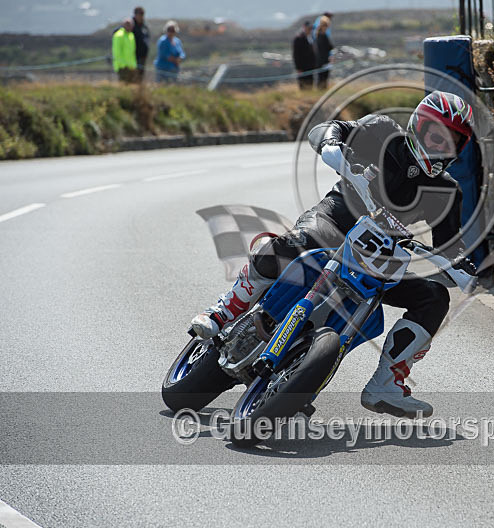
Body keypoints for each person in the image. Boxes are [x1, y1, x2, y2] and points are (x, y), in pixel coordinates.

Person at [191, 91, 478, 418]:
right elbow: (329, 128)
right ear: (418, 126)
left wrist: (464, 268)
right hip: (334, 222)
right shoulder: (382, 131)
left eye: (450, 142)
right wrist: (332, 147)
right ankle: (223, 311)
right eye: (435, 135)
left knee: (434, 297)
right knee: (293, 242)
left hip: (378, 254)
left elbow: (449, 248)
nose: (440, 146)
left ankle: (386, 383)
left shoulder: (447, 192)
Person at [112, 18, 137, 83]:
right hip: (122, 67)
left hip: (131, 66)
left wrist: (133, 65)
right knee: (123, 85)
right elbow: (117, 52)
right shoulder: (118, 35)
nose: (129, 26)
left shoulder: (131, 35)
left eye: (130, 25)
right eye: (127, 24)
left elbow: (132, 52)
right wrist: (122, 65)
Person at [292, 21, 315, 90]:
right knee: (303, 84)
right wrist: (298, 68)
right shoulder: (298, 38)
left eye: (311, 29)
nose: (310, 30)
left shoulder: (310, 38)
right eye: (309, 28)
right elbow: (296, 55)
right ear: (304, 28)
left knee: (310, 84)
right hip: (302, 67)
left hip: (310, 67)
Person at [313, 15, 334, 90]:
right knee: (323, 80)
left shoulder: (317, 35)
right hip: (324, 62)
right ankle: (321, 93)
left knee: (321, 79)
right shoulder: (323, 36)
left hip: (320, 62)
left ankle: (320, 92)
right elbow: (328, 47)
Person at [132, 6, 150, 82]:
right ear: (135, 14)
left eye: (142, 14)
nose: (141, 16)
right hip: (134, 57)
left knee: (140, 78)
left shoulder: (144, 26)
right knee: (133, 78)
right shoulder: (131, 25)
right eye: (140, 14)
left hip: (143, 57)